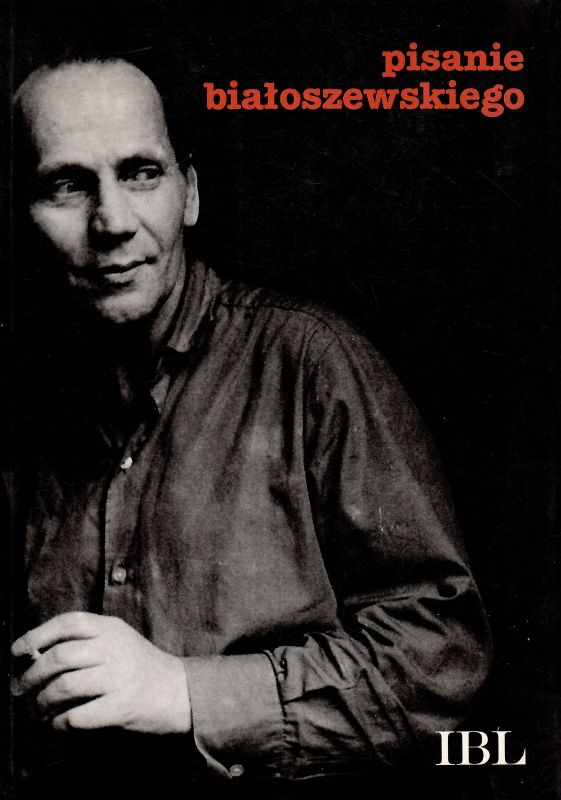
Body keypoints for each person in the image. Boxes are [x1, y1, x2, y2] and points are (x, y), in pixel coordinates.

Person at [6, 53, 492, 799]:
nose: (112, 222)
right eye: (67, 185)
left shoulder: (312, 362)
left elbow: (440, 657)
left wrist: (186, 692)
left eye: (142, 173)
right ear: (20, 213)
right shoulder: (26, 401)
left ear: (190, 194)